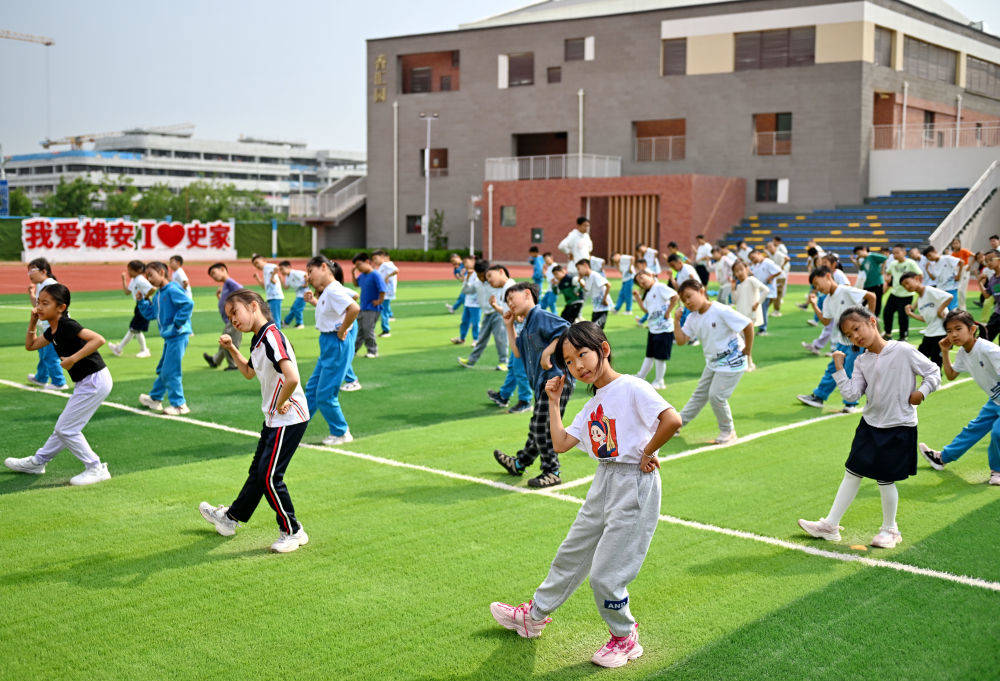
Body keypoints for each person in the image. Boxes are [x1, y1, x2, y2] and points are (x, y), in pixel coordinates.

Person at [489, 322, 681, 669]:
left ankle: (625, 637)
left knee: (606, 575)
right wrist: (553, 402)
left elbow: (672, 419)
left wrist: (647, 451)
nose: (578, 365)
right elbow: (561, 443)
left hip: (634, 482)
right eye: (569, 361)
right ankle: (534, 617)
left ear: (603, 349)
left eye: (582, 354)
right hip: (604, 480)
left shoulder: (632, 386)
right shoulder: (594, 403)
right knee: (572, 552)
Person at [798, 306, 940, 549]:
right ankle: (830, 526)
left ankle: (890, 530)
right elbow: (852, 394)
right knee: (852, 472)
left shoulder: (903, 350)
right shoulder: (862, 360)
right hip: (870, 424)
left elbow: (933, 372)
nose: (855, 336)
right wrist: (839, 369)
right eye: (849, 335)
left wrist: (922, 392)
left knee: (885, 480)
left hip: (898, 426)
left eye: (857, 329)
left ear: (872, 322)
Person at [198, 289, 311, 553]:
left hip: (289, 418)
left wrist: (281, 402)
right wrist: (231, 349)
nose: (233, 320)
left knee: (270, 477)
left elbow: (292, 377)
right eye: (229, 317)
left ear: (252, 306)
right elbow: (249, 372)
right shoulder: (259, 339)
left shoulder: (272, 337)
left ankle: (293, 531)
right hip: (275, 418)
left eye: (234, 312)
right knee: (258, 474)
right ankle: (230, 519)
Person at [4, 283, 113, 486]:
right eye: (38, 302)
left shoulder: (67, 325)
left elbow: (98, 339)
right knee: (63, 428)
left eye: (45, 303)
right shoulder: (52, 330)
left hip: (95, 380)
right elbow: (30, 345)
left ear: (61, 307)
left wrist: (73, 359)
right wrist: (32, 321)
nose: (39, 307)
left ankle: (96, 468)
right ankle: (38, 462)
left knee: (66, 429)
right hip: (87, 381)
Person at [492, 283, 575, 488]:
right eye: (507, 301)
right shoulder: (527, 324)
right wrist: (509, 326)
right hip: (542, 383)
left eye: (512, 298)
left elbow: (567, 330)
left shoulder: (539, 316)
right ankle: (519, 463)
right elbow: (517, 351)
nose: (509, 304)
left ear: (527, 294)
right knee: (537, 427)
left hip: (555, 380)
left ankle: (552, 471)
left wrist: (547, 352)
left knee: (541, 427)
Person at [919, 310, 1000, 486]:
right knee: (973, 429)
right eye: (949, 331)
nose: (953, 335)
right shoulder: (964, 353)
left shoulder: (988, 349)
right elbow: (951, 375)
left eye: (958, 329)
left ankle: (997, 470)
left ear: (972, 329)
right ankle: (942, 458)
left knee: (997, 432)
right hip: (995, 400)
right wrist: (944, 351)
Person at [673, 279, 754, 444]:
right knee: (700, 395)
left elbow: (748, 325)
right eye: (684, 300)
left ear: (702, 291)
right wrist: (676, 321)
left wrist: (748, 350)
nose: (687, 302)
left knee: (716, 396)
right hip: (714, 363)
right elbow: (681, 341)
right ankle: (677, 424)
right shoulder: (693, 318)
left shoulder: (720, 310)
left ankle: (728, 431)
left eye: (689, 296)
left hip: (732, 361)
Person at [796, 267, 876, 413]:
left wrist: (870, 324)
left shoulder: (845, 290)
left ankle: (850, 404)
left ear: (828, 276)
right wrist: (814, 305)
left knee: (850, 369)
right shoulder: (827, 300)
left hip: (856, 340)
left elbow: (871, 297)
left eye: (817, 283)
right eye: (814, 287)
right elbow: (826, 321)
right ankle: (819, 397)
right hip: (842, 340)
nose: (817, 288)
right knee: (832, 369)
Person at [303, 256, 360, 446]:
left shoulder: (334, 290)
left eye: (310, 271)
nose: (309, 277)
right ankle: (295, 428)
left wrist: (342, 330)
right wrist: (314, 301)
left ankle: (341, 432)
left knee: (325, 395)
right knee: (312, 389)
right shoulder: (329, 290)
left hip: (335, 342)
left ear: (323, 267)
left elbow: (354, 308)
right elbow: (337, 308)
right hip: (328, 342)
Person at [136, 261, 193, 415]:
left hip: (178, 335)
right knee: (164, 369)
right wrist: (141, 301)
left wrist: (177, 324)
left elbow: (188, 304)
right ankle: (155, 398)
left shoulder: (172, 289)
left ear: (162, 272)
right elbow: (151, 314)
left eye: (151, 275)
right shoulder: (159, 294)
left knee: (171, 370)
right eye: (147, 276)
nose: (149, 279)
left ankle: (179, 405)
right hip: (170, 337)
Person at [486, 291, 533, 415]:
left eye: (511, 300)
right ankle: (504, 395)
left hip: (524, 343)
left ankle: (525, 401)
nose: (509, 303)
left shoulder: (527, 307)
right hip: (517, 340)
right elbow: (509, 314)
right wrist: (496, 307)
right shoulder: (516, 304)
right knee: (513, 368)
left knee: (520, 372)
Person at [459, 264, 513, 371]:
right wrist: (467, 278)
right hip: (487, 314)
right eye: (478, 275)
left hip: (497, 312)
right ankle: (471, 361)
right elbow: (466, 291)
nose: (481, 278)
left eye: (483, 275)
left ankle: (504, 362)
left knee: (500, 338)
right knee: (481, 339)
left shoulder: (494, 283)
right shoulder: (477, 283)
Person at [25, 258, 67, 390]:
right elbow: (38, 305)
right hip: (47, 326)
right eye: (28, 271)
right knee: (43, 352)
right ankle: (41, 378)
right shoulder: (42, 285)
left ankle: (59, 383)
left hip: (54, 326)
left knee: (50, 355)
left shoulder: (50, 284)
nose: (30, 274)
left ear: (44, 271)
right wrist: (32, 294)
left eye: (32, 270)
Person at [633, 271, 678, 389]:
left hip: (664, 329)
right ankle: (641, 376)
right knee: (649, 355)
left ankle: (659, 381)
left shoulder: (659, 287)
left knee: (659, 358)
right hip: (653, 329)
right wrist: (638, 298)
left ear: (650, 275)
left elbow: (675, 296)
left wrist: (668, 312)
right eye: (638, 282)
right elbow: (646, 310)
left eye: (642, 277)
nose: (641, 282)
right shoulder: (648, 293)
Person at [900, 271, 952, 367]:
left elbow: (949, 296)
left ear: (916, 279)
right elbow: (926, 319)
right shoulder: (920, 300)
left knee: (935, 365)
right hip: (929, 334)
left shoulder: (929, 290)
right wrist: (911, 314)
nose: (906, 287)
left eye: (907, 283)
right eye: (904, 286)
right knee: (918, 362)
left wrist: (940, 310)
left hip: (941, 334)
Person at [109, 260, 153, 359]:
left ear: (138, 270)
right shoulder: (135, 279)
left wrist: (145, 298)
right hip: (139, 305)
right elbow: (127, 292)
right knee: (135, 329)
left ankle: (142, 350)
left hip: (144, 305)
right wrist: (124, 280)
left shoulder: (140, 279)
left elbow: (152, 289)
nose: (128, 272)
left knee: (134, 329)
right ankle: (119, 348)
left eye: (130, 270)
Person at [203, 262, 243, 371]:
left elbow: (241, 290)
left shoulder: (229, 282)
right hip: (230, 319)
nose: (213, 277)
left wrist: (236, 310)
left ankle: (233, 364)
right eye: (211, 276)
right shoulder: (225, 284)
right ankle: (215, 360)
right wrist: (219, 297)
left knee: (228, 341)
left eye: (213, 273)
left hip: (234, 319)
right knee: (224, 341)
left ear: (222, 269)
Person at [731, 260, 769, 370]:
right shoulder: (739, 286)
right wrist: (733, 289)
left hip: (750, 315)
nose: (739, 273)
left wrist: (758, 303)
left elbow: (766, 290)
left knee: (745, 340)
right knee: (742, 340)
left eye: (741, 269)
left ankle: (748, 363)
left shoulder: (751, 280)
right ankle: (748, 362)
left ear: (747, 269)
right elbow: (734, 300)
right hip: (741, 315)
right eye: (736, 271)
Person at [351, 252, 387, 359]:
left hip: (372, 308)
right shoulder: (363, 275)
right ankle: (353, 351)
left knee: (368, 330)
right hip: (363, 307)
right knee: (360, 331)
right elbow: (356, 284)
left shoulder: (375, 275)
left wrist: (379, 301)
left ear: (367, 262)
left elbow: (382, 289)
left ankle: (373, 351)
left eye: (359, 265)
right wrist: (353, 274)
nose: (358, 268)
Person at [883, 244, 921, 341]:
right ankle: (888, 334)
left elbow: (920, 274)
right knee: (887, 313)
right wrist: (887, 278)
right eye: (893, 253)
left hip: (906, 295)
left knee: (903, 317)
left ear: (904, 252)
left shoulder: (910, 263)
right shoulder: (893, 264)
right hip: (894, 294)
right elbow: (888, 273)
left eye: (897, 252)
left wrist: (916, 286)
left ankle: (903, 336)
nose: (895, 255)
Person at [748, 250, 781, 335]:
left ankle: (763, 329)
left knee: (762, 309)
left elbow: (778, 271)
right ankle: (760, 327)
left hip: (767, 291)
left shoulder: (767, 262)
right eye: (751, 259)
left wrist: (770, 278)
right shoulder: (756, 265)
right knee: (761, 309)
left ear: (759, 254)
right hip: (760, 291)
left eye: (753, 258)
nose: (753, 261)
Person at [450, 256, 481, 345]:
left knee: (475, 323)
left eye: (467, 262)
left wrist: (467, 283)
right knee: (464, 321)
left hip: (476, 303)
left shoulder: (478, 274)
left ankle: (476, 339)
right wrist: (466, 278)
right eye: (464, 263)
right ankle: (462, 338)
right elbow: (464, 289)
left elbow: (472, 288)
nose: (465, 265)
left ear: (473, 262)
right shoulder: (467, 275)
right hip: (468, 303)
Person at [922, 246, 963, 311]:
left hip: (951, 288)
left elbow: (961, 262)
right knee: (943, 310)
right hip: (941, 289)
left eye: (930, 255)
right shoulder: (934, 265)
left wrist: (958, 275)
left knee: (952, 309)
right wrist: (927, 270)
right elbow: (933, 278)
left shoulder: (946, 258)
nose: (930, 258)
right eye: (927, 258)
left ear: (935, 252)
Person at [251, 253, 285, 330]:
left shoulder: (268, 266)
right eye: (255, 265)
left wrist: (273, 277)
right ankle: (276, 331)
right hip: (271, 297)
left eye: (257, 263)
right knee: (271, 317)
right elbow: (264, 287)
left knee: (274, 318)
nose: (256, 266)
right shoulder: (265, 270)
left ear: (263, 260)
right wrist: (258, 279)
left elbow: (277, 267)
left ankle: (278, 334)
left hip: (275, 296)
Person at [576, 258, 612, 328]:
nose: (578, 271)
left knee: (597, 329)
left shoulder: (595, 275)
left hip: (602, 307)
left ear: (585, 265)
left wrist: (604, 299)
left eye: (579, 269)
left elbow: (608, 285)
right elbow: (586, 289)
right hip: (596, 307)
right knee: (593, 329)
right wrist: (580, 280)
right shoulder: (588, 277)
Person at [852, 246, 887, 316]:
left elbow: (884, 258)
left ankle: (876, 316)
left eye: (859, 253)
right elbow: (861, 268)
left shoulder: (872, 255)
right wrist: (856, 261)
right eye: (857, 254)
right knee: (864, 298)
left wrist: (882, 269)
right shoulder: (865, 260)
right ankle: (861, 312)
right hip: (868, 283)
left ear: (864, 249)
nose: (859, 255)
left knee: (878, 300)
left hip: (877, 282)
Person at [372, 249, 398, 337]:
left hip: (386, 292)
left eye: (376, 258)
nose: (374, 261)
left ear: (382, 257)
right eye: (373, 259)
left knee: (383, 311)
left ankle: (386, 331)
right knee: (380, 310)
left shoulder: (386, 264)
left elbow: (396, 270)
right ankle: (374, 330)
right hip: (383, 292)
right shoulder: (382, 266)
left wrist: (387, 276)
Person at [278, 260, 309, 329]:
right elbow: (286, 287)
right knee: (294, 309)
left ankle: (300, 324)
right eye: (280, 270)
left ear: (288, 267)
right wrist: (281, 280)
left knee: (297, 309)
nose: (281, 271)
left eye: (282, 269)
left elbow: (306, 275)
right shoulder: (287, 277)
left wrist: (306, 284)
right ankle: (286, 322)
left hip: (304, 294)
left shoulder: (295, 273)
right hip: (299, 295)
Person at [948, 237, 974, 310]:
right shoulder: (953, 254)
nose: (955, 245)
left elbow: (974, 256)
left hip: (965, 269)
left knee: (962, 290)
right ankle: (956, 306)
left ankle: (963, 308)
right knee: (956, 289)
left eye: (957, 243)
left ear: (960, 244)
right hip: (957, 270)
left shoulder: (964, 251)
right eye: (954, 243)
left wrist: (970, 266)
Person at [768, 237, 790, 315]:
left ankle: (776, 310)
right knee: (773, 293)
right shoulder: (771, 255)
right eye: (768, 247)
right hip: (775, 276)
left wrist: (782, 266)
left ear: (774, 247)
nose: (769, 249)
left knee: (778, 293)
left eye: (771, 247)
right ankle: (770, 309)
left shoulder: (778, 253)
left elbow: (787, 258)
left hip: (780, 276)